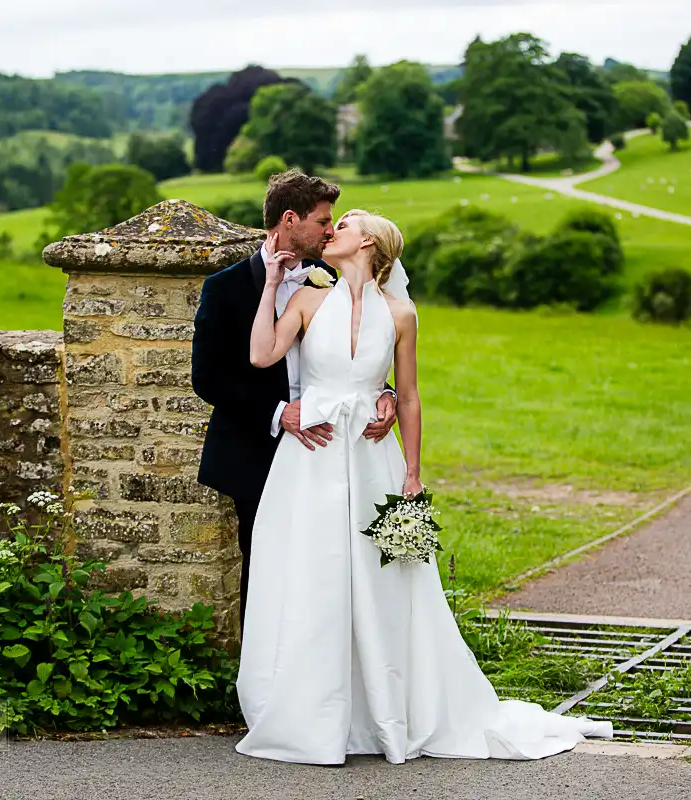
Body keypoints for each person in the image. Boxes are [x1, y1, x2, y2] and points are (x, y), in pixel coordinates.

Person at [235, 208, 613, 765]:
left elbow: (407, 396)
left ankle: (386, 709)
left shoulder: (401, 313)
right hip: (310, 458)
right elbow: (261, 354)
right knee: (314, 574)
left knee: (382, 581)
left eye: (345, 225)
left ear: (369, 243)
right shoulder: (307, 301)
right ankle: (313, 713)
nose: (332, 229)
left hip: (372, 458)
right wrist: (270, 285)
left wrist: (412, 474)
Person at [191, 170, 398, 623]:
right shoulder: (224, 289)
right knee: (266, 565)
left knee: (334, 563)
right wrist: (280, 413)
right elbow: (208, 378)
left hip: (334, 448)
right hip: (256, 449)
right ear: (290, 219)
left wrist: (385, 393)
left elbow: (363, 352)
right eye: (324, 220)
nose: (330, 229)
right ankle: (265, 680)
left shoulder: (332, 277)